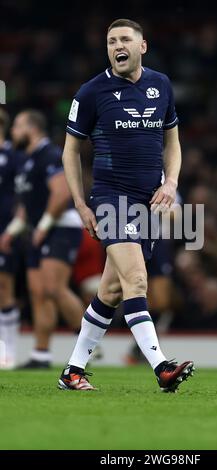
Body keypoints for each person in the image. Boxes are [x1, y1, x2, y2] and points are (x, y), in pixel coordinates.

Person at [58, 18, 194, 392]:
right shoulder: (91, 92)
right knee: (136, 280)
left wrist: (172, 182)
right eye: (110, 41)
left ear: (141, 47)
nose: (116, 45)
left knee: (112, 292)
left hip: (149, 201)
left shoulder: (161, 84)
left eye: (124, 39)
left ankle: (72, 371)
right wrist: (80, 204)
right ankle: (161, 366)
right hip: (110, 198)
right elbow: (70, 150)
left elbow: (173, 142)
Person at [0, 110, 84, 368]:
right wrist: (11, 232)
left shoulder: (49, 154)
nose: (13, 131)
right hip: (40, 229)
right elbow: (27, 204)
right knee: (38, 293)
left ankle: (89, 341)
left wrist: (44, 226)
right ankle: (41, 353)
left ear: (32, 129)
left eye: (17, 126)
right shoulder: (28, 160)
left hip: (61, 227)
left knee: (53, 288)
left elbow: (60, 193)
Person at [0, 108, 20, 369]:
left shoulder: (13, 157)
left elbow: (21, 198)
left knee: (4, 288)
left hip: (5, 231)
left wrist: (14, 229)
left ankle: (9, 350)